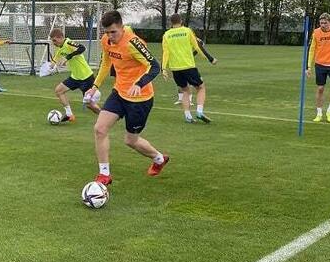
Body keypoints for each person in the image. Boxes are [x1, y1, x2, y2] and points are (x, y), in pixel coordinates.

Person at [85, 10, 166, 186]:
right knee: (100, 129)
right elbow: (106, 64)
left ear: (122, 27)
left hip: (140, 99)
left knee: (130, 140)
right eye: (106, 32)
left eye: (113, 32)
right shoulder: (106, 41)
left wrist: (139, 84)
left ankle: (159, 159)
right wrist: (94, 87)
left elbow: (155, 66)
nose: (110, 36)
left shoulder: (133, 43)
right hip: (119, 92)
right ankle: (104, 174)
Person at [161, 13, 217, 123]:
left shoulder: (166, 35)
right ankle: (199, 112)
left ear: (171, 23)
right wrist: (210, 59)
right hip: (188, 66)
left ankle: (188, 116)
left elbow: (165, 53)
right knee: (201, 87)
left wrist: (163, 68)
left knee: (185, 90)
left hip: (175, 68)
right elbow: (197, 47)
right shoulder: (187, 31)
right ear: (181, 21)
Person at [49, 27, 100, 122]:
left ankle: (105, 116)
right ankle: (69, 115)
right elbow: (54, 60)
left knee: (89, 105)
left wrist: (67, 58)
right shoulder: (60, 49)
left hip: (86, 77)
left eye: (54, 40)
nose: (54, 43)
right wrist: (50, 67)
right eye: (52, 41)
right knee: (58, 91)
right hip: (75, 77)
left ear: (61, 37)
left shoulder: (69, 43)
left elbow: (82, 48)